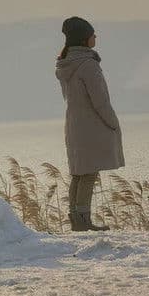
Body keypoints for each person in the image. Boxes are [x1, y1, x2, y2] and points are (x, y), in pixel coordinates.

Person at [55, 16, 125, 232]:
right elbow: (100, 101)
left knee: (78, 173)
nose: (95, 37)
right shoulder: (88, 65)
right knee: (88, 174)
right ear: (85, 39)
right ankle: (84, 221)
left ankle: (76, 219)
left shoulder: (66, 64)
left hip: (74, 125)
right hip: (92, 126)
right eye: (92, 34)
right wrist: (113, 123)